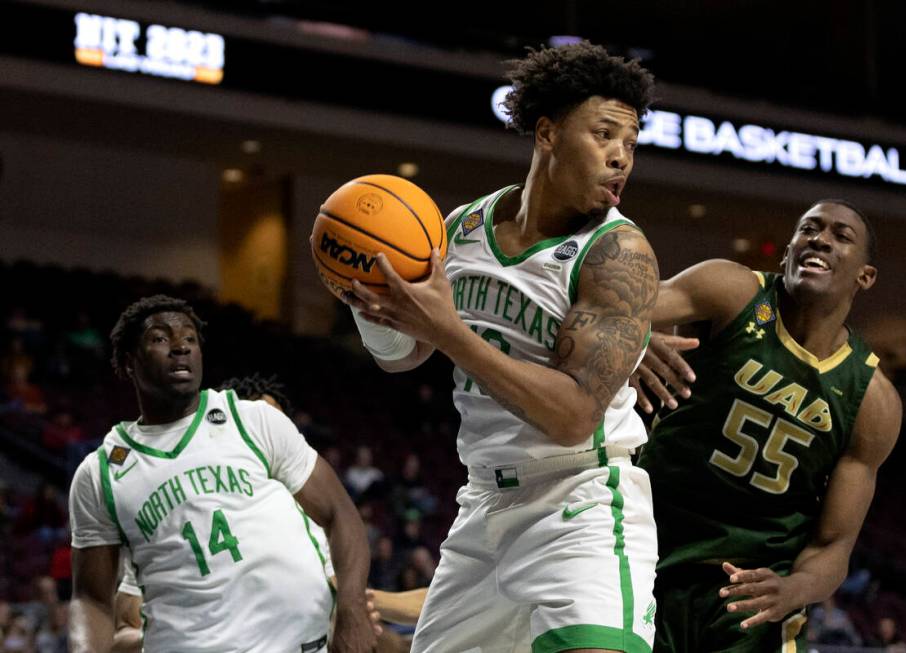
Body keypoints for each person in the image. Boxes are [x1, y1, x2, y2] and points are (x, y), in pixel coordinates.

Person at [341, 41, 661, 652]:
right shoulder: (461, 228)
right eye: (604, 135)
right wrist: (370, 302)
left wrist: (447, 331)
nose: (621, 157)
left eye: (631, 144)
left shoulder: (618, 252)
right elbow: (400, 356)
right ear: (547, 132)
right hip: (484, 504)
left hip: (582, 504)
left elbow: (573, 415)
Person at [632, 200, 903, 651]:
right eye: (809, 229)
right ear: (788, 252)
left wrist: (793, 591)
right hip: (645, 545)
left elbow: (833, 546)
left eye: (841, 235)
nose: (820, 239)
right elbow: (607, 309)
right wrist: (631, 340)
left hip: (749, 590)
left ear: (865, 276)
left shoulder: (873, 400)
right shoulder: (731, 291)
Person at [68, 295, 375, 652]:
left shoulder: (252, 420)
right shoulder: (101, 472)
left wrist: (353, 613)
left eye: (190, 338)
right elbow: (91, 599)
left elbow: (340, 513)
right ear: (128, 362)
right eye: (160, 338)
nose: (180, 347)